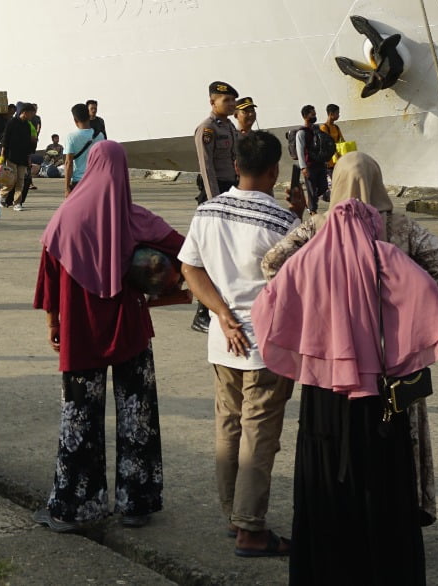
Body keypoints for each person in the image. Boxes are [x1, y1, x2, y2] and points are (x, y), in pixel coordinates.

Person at [251, 197, 438, 585]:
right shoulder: (385, 255)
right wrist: (397, 341)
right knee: (382, 479)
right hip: (379, 392)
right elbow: (427, 291)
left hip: (323, 390)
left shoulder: (310, 258)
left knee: (326, 477)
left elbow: (269, 301)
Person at [262, 150, 438, 526]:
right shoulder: (401, 227)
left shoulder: (319, 227)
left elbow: (273, 264)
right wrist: (410, 310)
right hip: (393, 361)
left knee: (330, 441)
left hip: (333, 358)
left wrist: (312, 310)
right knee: (398, 438)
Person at [33, 141, 183, 531]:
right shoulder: (134, 218)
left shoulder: (65, 218)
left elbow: (49, 273)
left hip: (80, 331)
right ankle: (137, 503)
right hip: (129, 328)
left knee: (79, 418)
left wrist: (54, 323)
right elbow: (185, 250)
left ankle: (74, 509)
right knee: (138, 416)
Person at [180, 130, 302, 557]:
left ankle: (234, 514)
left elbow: (190, 270)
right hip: (267, 344)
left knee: (228, 429)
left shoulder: (207, 212)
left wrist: (222, 313)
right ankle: (251, 527)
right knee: (259, 435)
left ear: (235, 166)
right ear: (275, 171)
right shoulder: (284, 223)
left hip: (223, 340)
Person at [195, 82, 240, 202]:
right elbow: (206, 166)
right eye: (226, 100)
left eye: (233, 100)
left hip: (233, 188)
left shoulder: (230, 126)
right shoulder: (208, 128)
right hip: (217, 189)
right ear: (212, 102)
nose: (232, 104)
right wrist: (214, 200)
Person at [0, 103, 35, 210]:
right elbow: (5, 139)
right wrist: (2, 156)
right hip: (11, 156)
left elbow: (28, 143)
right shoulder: (12, 122)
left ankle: (17, 203)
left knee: (21, 181)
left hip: (23, 157)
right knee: (12, 180)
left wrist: (29, 157)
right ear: (25, 112)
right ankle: (2, 195)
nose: (32, 115)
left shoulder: (27, 125)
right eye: (31, 113)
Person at [63, 103, 105, 195]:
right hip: (96, 181)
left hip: (78, 182)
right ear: (89, 116)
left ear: (75, 120)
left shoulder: (71, 137)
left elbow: (68, 163)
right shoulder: (100, 136)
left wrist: (66, 188)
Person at [294, 105, 329, 212]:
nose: (314, 116)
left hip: (320, 164)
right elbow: (300, 151)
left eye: (315, 114)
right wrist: (303, 167)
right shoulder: (301, 133)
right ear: (305, 116)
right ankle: (312, 211)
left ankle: (310, 200)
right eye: (312, 114)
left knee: (323, 187)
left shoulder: (316, 130)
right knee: (312, 190)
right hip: (310, 167)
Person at [319, 104, 346, 169]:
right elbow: (324, 145)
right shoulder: (323, 128)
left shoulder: (336, 127)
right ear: (331, 114)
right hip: (329, 161)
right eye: (337, 113)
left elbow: (342, 141)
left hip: (338, 160)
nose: (338, 115)